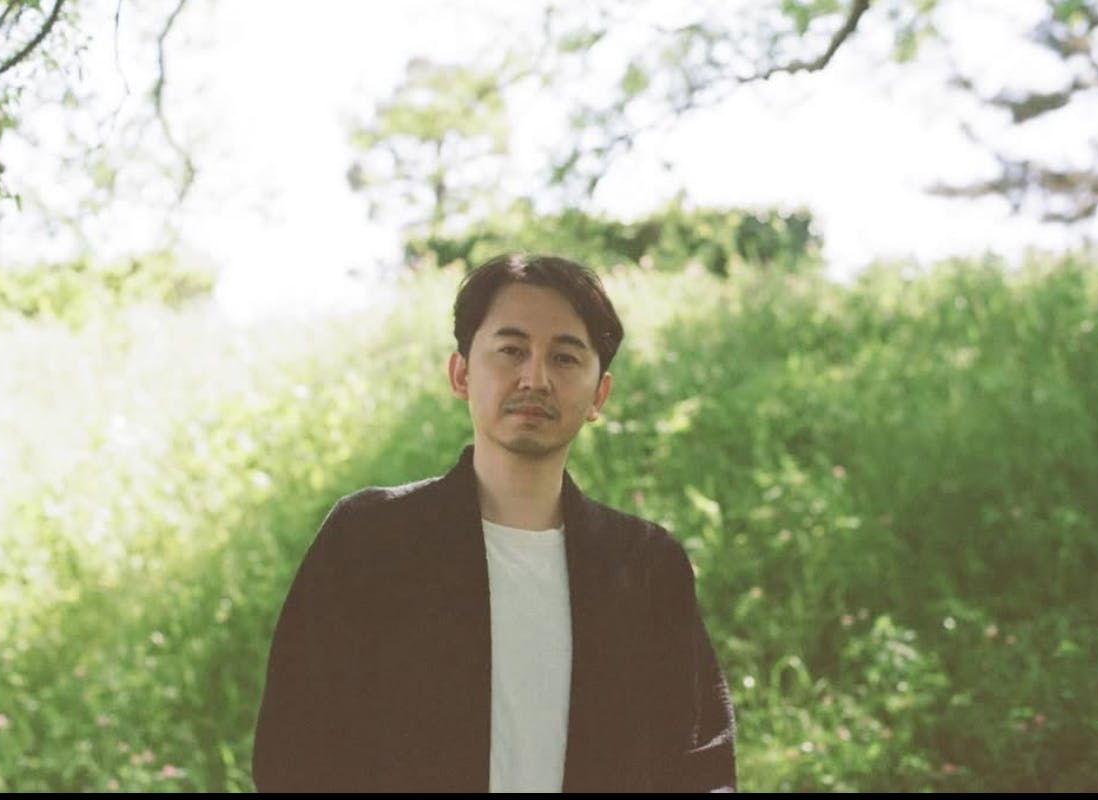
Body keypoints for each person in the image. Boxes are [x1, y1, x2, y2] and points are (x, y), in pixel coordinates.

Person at [252, 253, 737, 793]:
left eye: (565, 358)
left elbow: (701, 763)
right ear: (461, 373)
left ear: (599, 394)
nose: (536, 378)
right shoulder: (372, 540)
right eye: (511, 350)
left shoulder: (644, 565)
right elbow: (296, 751)